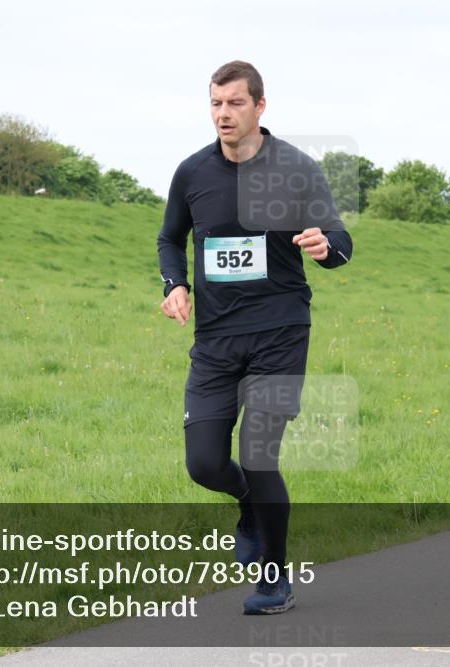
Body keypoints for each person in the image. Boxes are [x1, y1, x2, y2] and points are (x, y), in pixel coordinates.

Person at [157, 61, 352, 614]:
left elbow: (339, 243)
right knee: (204, 465)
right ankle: (247, 503)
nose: (224, 113)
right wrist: (176, 284)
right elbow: (170, 238)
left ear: (260, 106)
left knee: (259, 454)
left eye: (235, 103)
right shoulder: (192, 173)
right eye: (216, 103)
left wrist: (324, 246)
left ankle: (274, 578)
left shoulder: (296, 168)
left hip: (280, 331)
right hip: (216, 338)